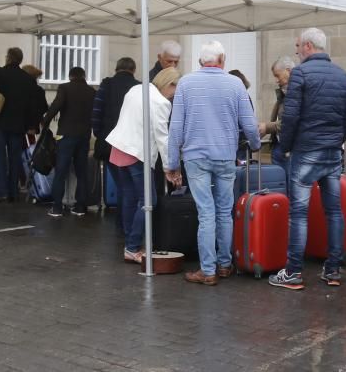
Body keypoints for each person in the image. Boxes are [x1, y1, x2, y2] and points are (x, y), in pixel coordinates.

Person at [165, 41, 260, 286]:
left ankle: (208, 270)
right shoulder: (235, 83)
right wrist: (256, 144)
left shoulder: (186, 83)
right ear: (223, 60)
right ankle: (225, 265)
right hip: (225, 155)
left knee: (206, 212)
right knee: (224, 211)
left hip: (195, 157)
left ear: (200, 61)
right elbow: (249, 123)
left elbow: (176, 126)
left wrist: (172, 162)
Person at [269, 28, 346, 290]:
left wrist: (286, 147)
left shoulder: (301, 74)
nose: (297, 51)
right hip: (332, 152)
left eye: (298, 46)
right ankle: (333, 269)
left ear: (307, 46)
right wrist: (335, 140)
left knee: (299, 214)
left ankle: (294, 271)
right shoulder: (344, 75)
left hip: (305, 151)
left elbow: (291, 116)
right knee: (334, 212)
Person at [106, 67, 179, 263]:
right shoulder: (161, 102)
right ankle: (132, 246)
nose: (174, 95)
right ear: (169, 84)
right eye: (175, 89)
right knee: (148, 201)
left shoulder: (136, 89)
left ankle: (131, 245)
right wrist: (169, 166)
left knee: (130, 198)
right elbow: (162, 137)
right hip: (137, 153)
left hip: (119, 147)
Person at [0, 47, 48, 203]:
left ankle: (2, 191)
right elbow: (33, 105)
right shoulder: (27, 79)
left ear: (8, 58)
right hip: (19, 125)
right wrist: (31, 123)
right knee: (14, 157)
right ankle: (13, 191)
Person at [92, 57, 141, 229]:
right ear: (133, 70)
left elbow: (96, 111)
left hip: (108, 142)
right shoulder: (138, 87)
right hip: (131, 144)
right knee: (128, 187)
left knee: (123, 187)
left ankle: (123, 225)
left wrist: (99, 134)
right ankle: (124, 225)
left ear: (116, 68)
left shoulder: (106, 85)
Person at [42, 66, 97, 217]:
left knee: (61, 170)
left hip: (66, 135)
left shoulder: (64, 88)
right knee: (81, 172)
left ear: (70, 76)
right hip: (84, 135)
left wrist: (45, 120)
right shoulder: (92, 91)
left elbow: (56, 106)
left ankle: (57, 207)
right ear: (84, 76)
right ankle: (80, 206)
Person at [258, 56, 295, 185]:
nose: (276, 80)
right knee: (280, 186)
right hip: (279, 147)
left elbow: (290, 122)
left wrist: (267, 127)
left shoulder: (297, 92)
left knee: (291, 188)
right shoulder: (284, 93)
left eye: (277, 75)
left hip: (291, 149)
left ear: (288, 71)